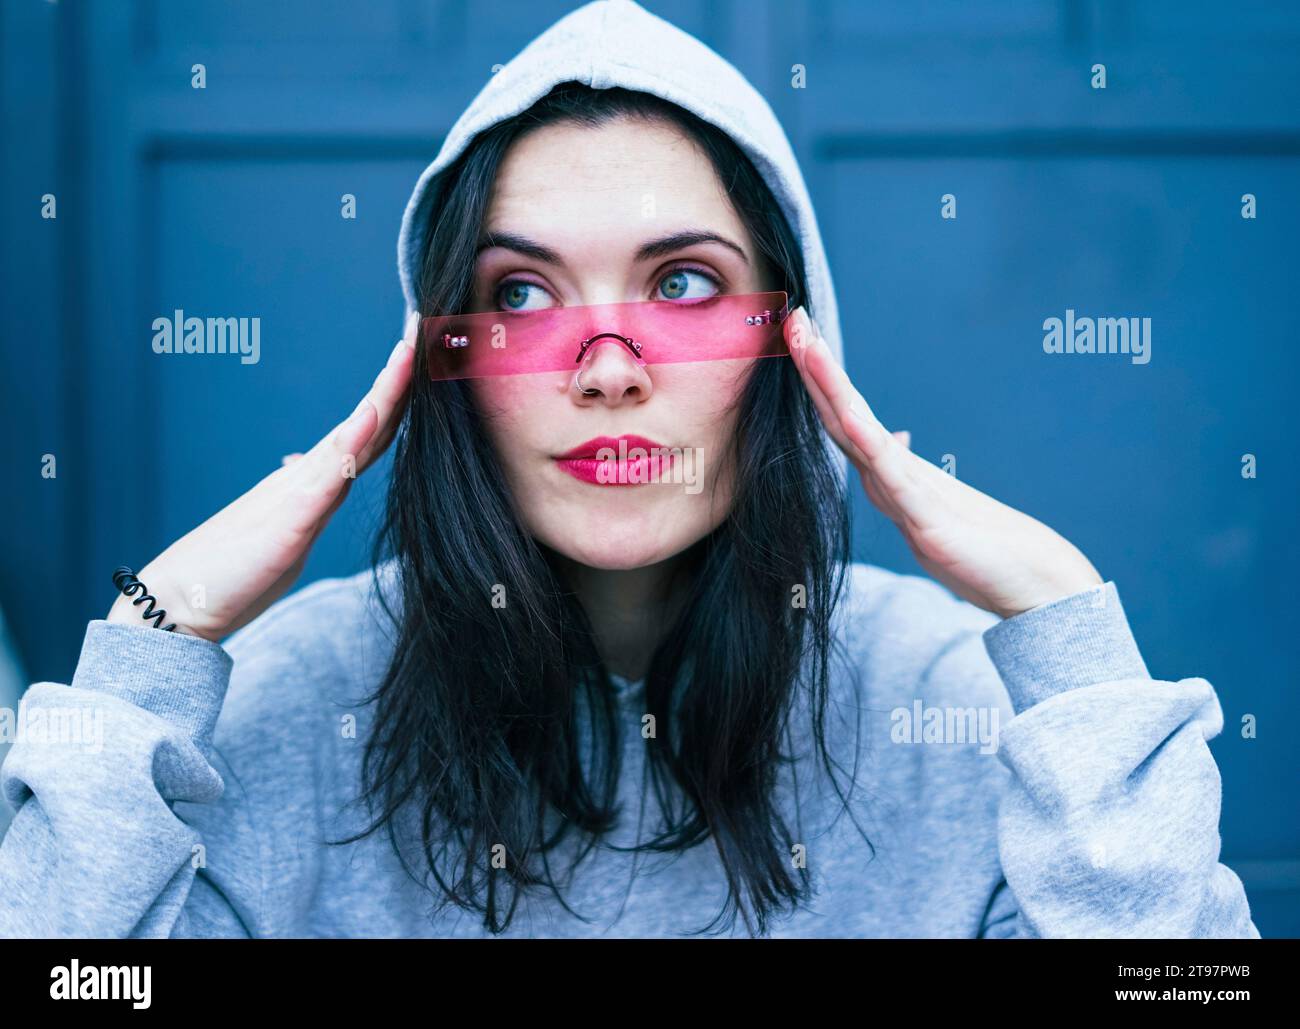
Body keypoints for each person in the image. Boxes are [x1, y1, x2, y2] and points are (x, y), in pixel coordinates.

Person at [0, 0, 1258, 938]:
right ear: (441, 354)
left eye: (684, 282)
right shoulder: (281, 705)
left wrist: (1063, 630)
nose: (606, 367)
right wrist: (151, 645)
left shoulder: (956, 706)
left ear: (792, 340)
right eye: (524, 292)